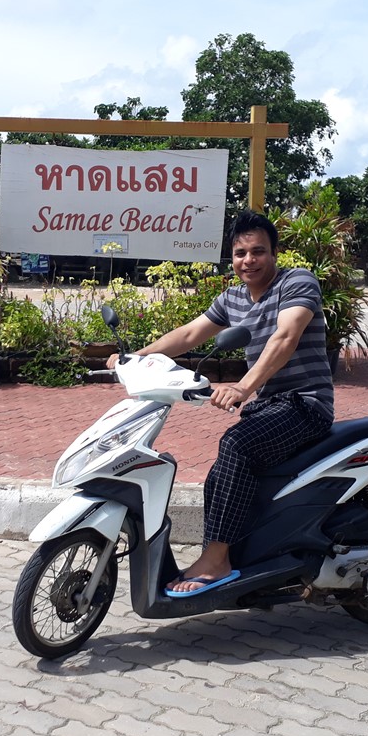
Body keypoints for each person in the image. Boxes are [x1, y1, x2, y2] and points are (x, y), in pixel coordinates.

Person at [108, 211, 335, 595]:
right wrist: (137, 357)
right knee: (220, 474)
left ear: (275, 253)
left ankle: (216, 562)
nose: (249, 261)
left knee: (235, 446)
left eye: (258, 251)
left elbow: (286, 337)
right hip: (271, 407)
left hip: (306, 404)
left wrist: (243, 387)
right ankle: (228, 555)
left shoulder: (296, 282)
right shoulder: (233, 296)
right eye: (240, 253)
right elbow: (191, 333)